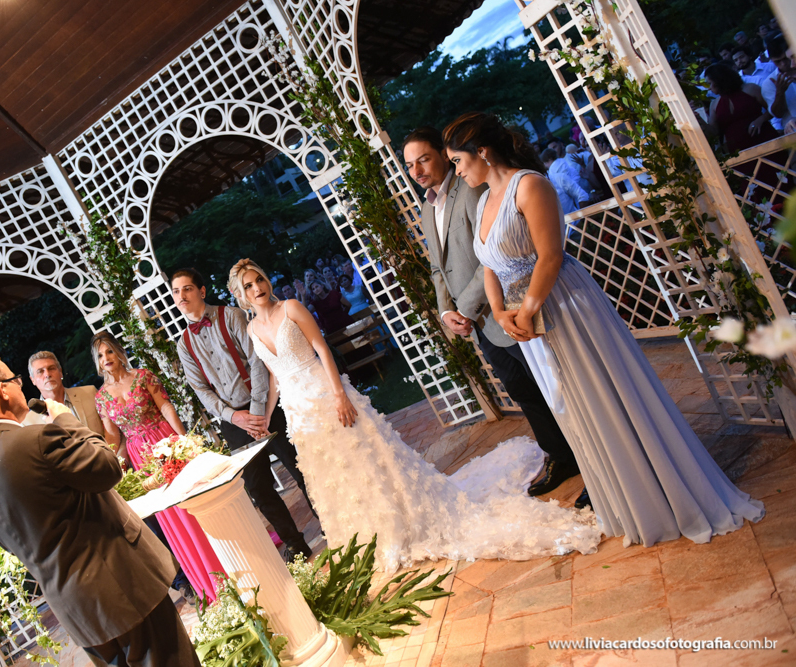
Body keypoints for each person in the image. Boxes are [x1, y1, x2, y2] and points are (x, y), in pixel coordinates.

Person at [443, 111, 765, 548]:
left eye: (458, 161)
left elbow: (550, 255)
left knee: (604, 394)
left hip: (562, 306)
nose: (457, 172)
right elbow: (488, 267)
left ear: (482, 152)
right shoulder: (483, 202)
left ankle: (659, 492)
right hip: (525, 321)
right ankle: (623, 497)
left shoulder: (530, 185)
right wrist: (500, 313)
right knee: (574, 407)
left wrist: (529, 309)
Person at [228, 259, 601, 571]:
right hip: (301, 416)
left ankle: (402, 525)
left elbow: (322, 349)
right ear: (240, 295)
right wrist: (264, 416)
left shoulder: (291, 308)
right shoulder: (252, 329)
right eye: (248, 285)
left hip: (327, 396)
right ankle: (367, 538)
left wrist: (340, 395)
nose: (257, 287)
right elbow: (275, 376)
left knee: (368, 462)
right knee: (335, 476)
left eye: (259, 279)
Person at [0, 355, 199, 667]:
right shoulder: (35, 439)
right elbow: (108, 468)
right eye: (16, 380)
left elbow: (12, 544)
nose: (20, 386)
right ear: (2, 390)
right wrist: (65, 419)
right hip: (122, 584)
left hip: (75, 611)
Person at [402, 126, 580, 498]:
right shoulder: (427, 206)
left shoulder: (473, 189)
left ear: (443, 155)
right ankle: (561, 456)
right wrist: (445, 311)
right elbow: (437, 267)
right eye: (410, 165)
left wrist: (466, 308)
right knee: (522, 391)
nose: (416, 171)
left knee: (557, 387)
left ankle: (586, 453)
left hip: (510, 308)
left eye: (424, 160)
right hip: (484, 322)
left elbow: (490, 258)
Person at [171, 268, 314, 561]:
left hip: (267, 406)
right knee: (259, 489)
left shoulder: (232, 316)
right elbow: (201, 390)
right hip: (234, 423)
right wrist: (234, 417)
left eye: (187, 289)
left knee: (301, 468)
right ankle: (296, 545)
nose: (181, 296)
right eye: (176, 291)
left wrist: (258, 413)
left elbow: (258, 362)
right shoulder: (184, 343)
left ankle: (331, 524)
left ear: (201, 291)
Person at [91, 332, 222, 602]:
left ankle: (221, 561)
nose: (106, 358)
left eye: (110, 351)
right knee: (170, 516)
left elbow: (166, 407)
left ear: (119, 352)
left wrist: (185, 441)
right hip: (141, 458)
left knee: (189, 503)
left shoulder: (143, 377)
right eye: (100, 355)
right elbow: (112, 435)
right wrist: (112, 463)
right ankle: (203, 578)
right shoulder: (101, 398)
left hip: (164, 441)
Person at [23, 351, 104, 435]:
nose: (47, 374)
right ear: (32, 380)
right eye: (40, 371)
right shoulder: (29, 423)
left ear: (60, 372)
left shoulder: (90, 393)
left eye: (51, 368)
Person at [702, 63, 778, 152]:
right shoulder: (714, 104)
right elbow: (714, 132)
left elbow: (774, 110)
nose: (709, 88)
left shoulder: (750, 89)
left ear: (719, 80)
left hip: (764, 141)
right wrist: (699, 119)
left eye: (709, 83)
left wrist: (760, 119)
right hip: (738, 151)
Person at [763, 35, 795, 132]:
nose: (783, 64)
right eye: (777, 62)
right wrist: (780, 92)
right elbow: (778, 114)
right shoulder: (770, 82)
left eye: (785, 59)